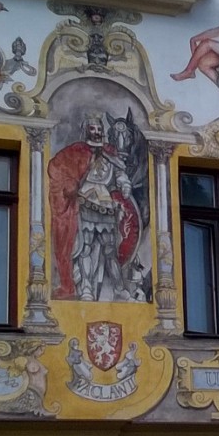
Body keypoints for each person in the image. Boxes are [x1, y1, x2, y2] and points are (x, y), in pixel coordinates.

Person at [48, 112, 142, 301]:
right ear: (86, 131)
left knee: (110, 250)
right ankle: (86, 288)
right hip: (85, 202)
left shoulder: (109, 155)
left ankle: (119, 288)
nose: (97, 132)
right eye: (93, 128)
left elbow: (119, 173)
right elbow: (63, 171)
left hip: (106, 204)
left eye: (99, 129)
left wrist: (125, 184)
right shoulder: (78, 152)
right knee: (86, 248)